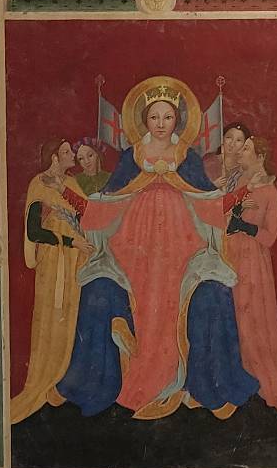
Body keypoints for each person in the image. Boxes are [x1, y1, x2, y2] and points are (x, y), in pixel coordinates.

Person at [57, 77, 258, 420]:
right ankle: (120, 373)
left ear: (177, 120)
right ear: (144, 121)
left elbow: (207, 198)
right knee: (109, 292)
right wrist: (74, 198)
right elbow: (109, 198)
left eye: (167, 117)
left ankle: (198, 385)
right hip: (134, 248)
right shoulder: (131, 156)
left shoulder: (187, 157)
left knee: (208, 294)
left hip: (183, 247)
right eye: (154, 117)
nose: (161, 124)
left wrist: (236, 194)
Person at [221, 136, 277, 418]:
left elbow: (270, 237)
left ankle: (258, 387)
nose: (240, 151)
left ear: (260, 156)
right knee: (231, 320)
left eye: (245, 148)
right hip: (229, 257)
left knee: (250, 322)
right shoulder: (239, 184)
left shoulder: (273, 193)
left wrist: (243, 226)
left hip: (252, 263)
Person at [8, 139, 87, 423]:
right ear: (54, 157)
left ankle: (62, 383)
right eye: (66, 152)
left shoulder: (73, 183)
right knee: (51, 316)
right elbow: (34, 232)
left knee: (71, 317)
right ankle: (43, 380)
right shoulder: (39, 184)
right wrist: (70, 241)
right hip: (53, 260)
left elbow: (88, 215)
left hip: (75, 262)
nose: (72, 155)